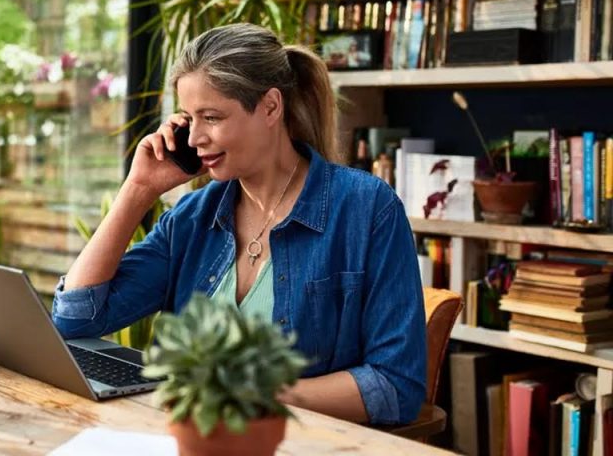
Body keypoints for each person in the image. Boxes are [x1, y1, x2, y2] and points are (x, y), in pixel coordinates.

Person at [51, 23, 426, 425]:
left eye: (211, 117)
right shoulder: (192, 218)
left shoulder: (365, 209)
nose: (194, 138)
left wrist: (254, 393)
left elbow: (394, 386)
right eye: (188, 119)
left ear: (269, 107)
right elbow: (75, 319)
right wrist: (138, 189)